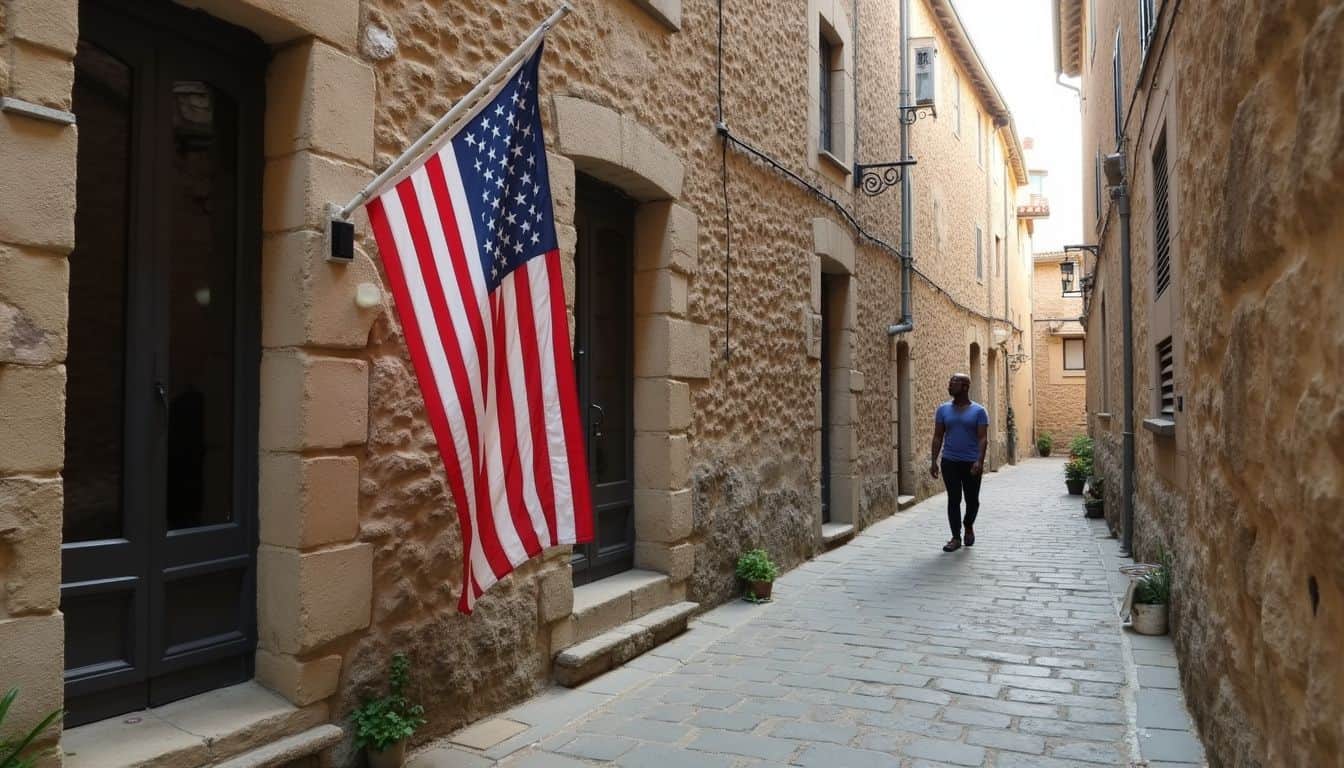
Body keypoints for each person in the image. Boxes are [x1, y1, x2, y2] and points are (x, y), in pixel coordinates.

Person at [930, 373, 988, 552]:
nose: (949, 386)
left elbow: (983, 439)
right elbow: (938, 436)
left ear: (965, 387)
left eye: (953, 383)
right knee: (953, 499)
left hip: (971, 463)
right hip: (950, 461)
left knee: (972, 501)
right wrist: (934, 460)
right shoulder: (943, 409)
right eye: (949, 382)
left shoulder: (979, 411)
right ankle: (956, 537)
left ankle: (968, 524)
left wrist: (979, 460)